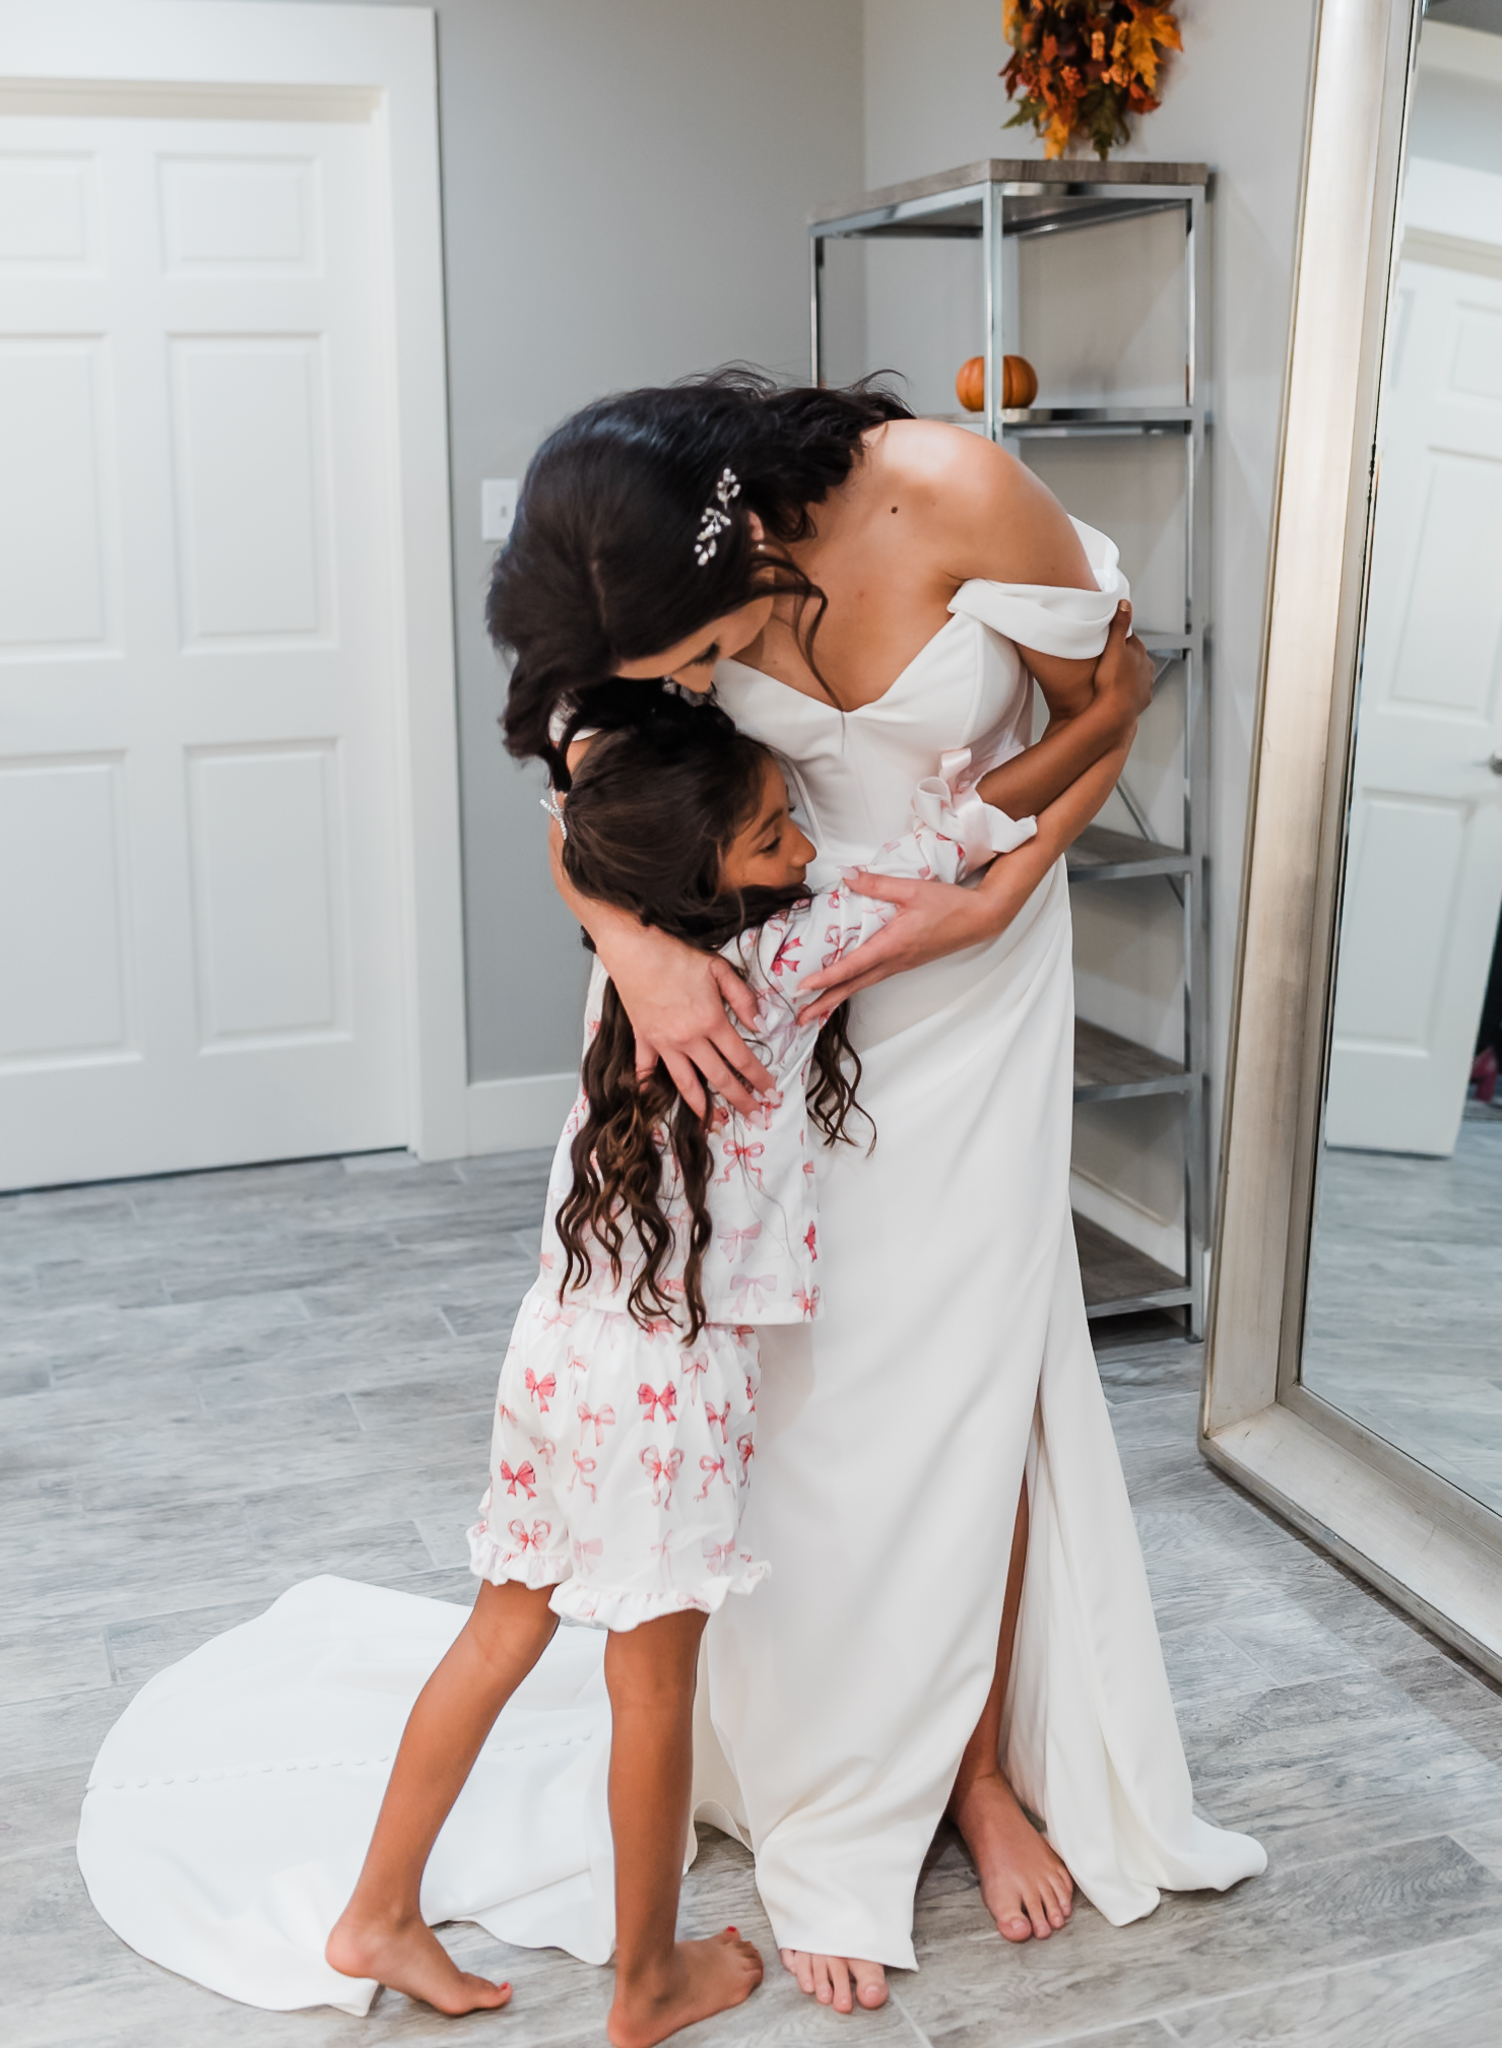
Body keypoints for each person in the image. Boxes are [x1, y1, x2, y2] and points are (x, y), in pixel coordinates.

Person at [489, 372, 1266, 2015]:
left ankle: (968, 1769)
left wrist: (990, 900)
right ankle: (782, 1736)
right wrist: (636, 952)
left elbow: (1108, 714)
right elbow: (583, 808)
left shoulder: (953, 489)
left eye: (705, 659)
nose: (698, 688)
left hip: (955, 961)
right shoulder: (632, 593)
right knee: (775, 1398)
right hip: (731, 985)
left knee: (951, 1380)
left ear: (749, 543)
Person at [324, 691, 1068, 2043]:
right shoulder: (780, 961)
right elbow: (970, 859)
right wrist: (1093, 738)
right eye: (773, 833)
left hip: (557, 1341)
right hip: (666, 1381)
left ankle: (377, 1909)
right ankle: (645, 1979)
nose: (798, 847)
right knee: (650, 1683)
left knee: (501, 1627)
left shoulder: (632, 933)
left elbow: (571, 819)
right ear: (704, 872)